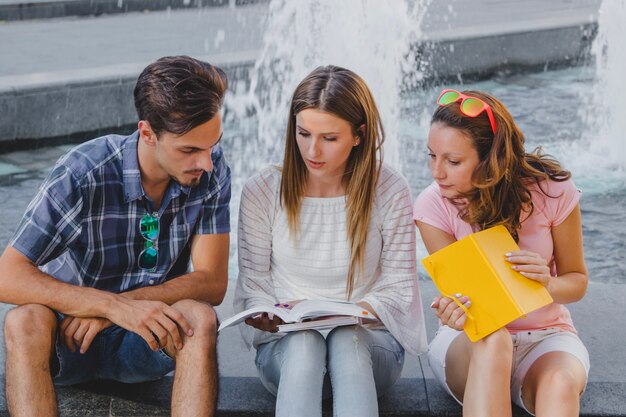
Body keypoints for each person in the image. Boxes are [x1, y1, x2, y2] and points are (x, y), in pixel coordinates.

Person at [0, 55, 231, 417]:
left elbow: (213, 282)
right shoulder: (83, 173)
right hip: (70, 338)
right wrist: (106, 305)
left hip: (146, 336)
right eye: (189, 150)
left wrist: (124, 308)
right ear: (147, 133)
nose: (206, 162)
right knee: (23, 320)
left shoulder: (211, 172)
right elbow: (7, 275)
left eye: (211, 145)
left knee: (200, 319)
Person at [233, 65, 428, 417]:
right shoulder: (262, 190)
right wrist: (265, 312)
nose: (312, 150)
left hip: (370, 349)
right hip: (286, 352)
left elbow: (399, 291)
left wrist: (350, 313)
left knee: (345, 338)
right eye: (303, 133)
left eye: (329, 138)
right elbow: (254, 283)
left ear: (359, 135)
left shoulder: (389, 189)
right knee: (305, 343)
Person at [414, 88, 590, 417]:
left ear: (490, 159)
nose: (436, 172)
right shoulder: (432, 204)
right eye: (431, 156)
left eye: (452, 161)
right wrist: (455, 311)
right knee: (495, 341)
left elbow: (577, 281)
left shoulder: (552, 191)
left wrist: (548, 284)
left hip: (546, 337)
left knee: (560, 383)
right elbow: (466, 303)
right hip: (473, 340)